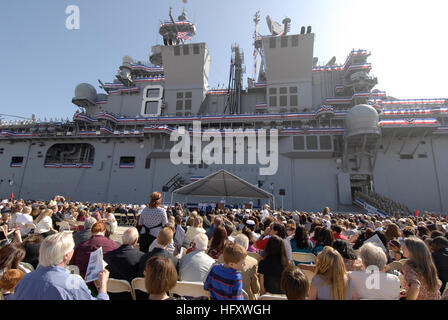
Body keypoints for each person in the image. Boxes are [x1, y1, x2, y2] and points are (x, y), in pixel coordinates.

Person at [13, 231, 110, 300]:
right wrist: (103, 285)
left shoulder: (24, 280)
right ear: (66, 255)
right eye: (72, 248)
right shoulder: (72, 283)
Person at [217, 234, 260, 300]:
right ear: (247, 246)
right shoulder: (253, 262)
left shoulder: (221, 258)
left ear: (234, 243)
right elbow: (255, 289)